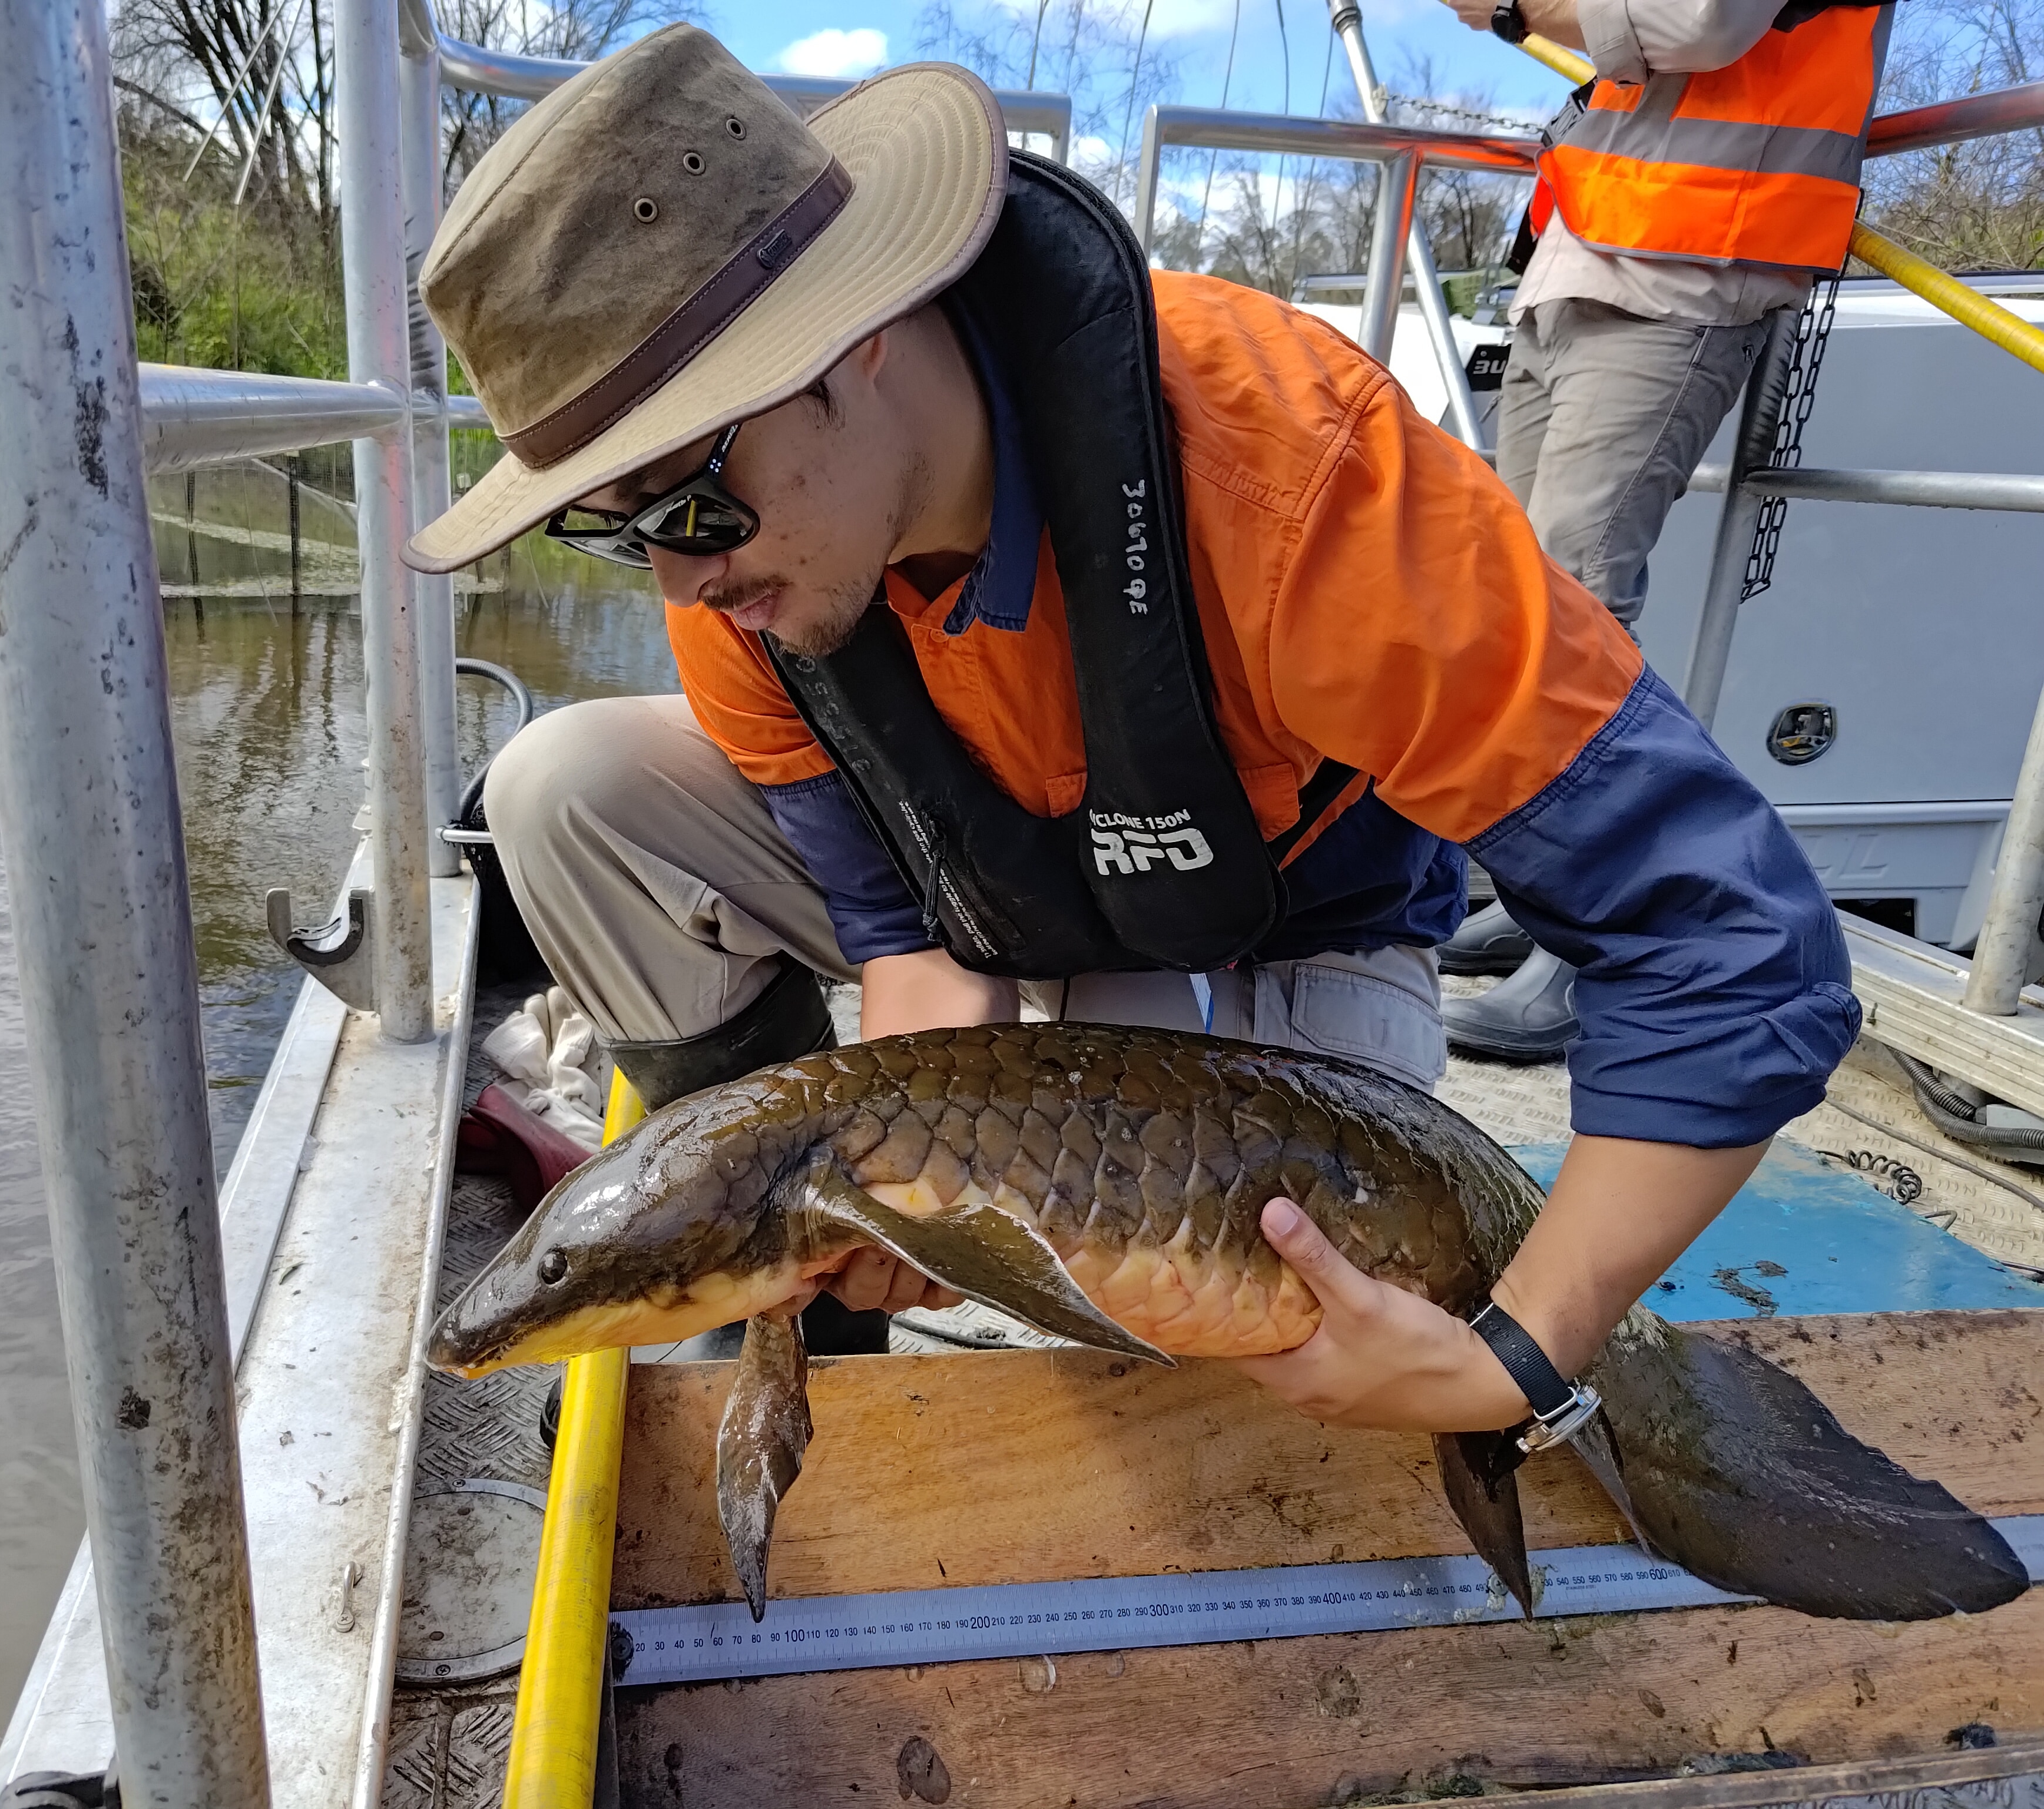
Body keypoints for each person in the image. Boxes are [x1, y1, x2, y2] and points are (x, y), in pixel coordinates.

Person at [403, 26, 1860, 1437]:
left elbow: (1732, 951)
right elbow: (899, 935)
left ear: (858, 340)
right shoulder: (748, 570)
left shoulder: (1298, 482)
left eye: (685, 501)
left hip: (1275, 923)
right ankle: (789, 1285)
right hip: (1005, 904)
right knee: (563, 785)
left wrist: (1518, 1356)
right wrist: (898, 1185)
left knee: (1190, 1303)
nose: (682, 577)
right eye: (619, 533)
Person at [1431, 0, 1891, 1058]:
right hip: (1594, 258)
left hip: (1684, 273)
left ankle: (1599, 952)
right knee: (1519, 601)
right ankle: (1542, 899)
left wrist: (1511, 6)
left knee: (1575, 617)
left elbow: (1695, 21)